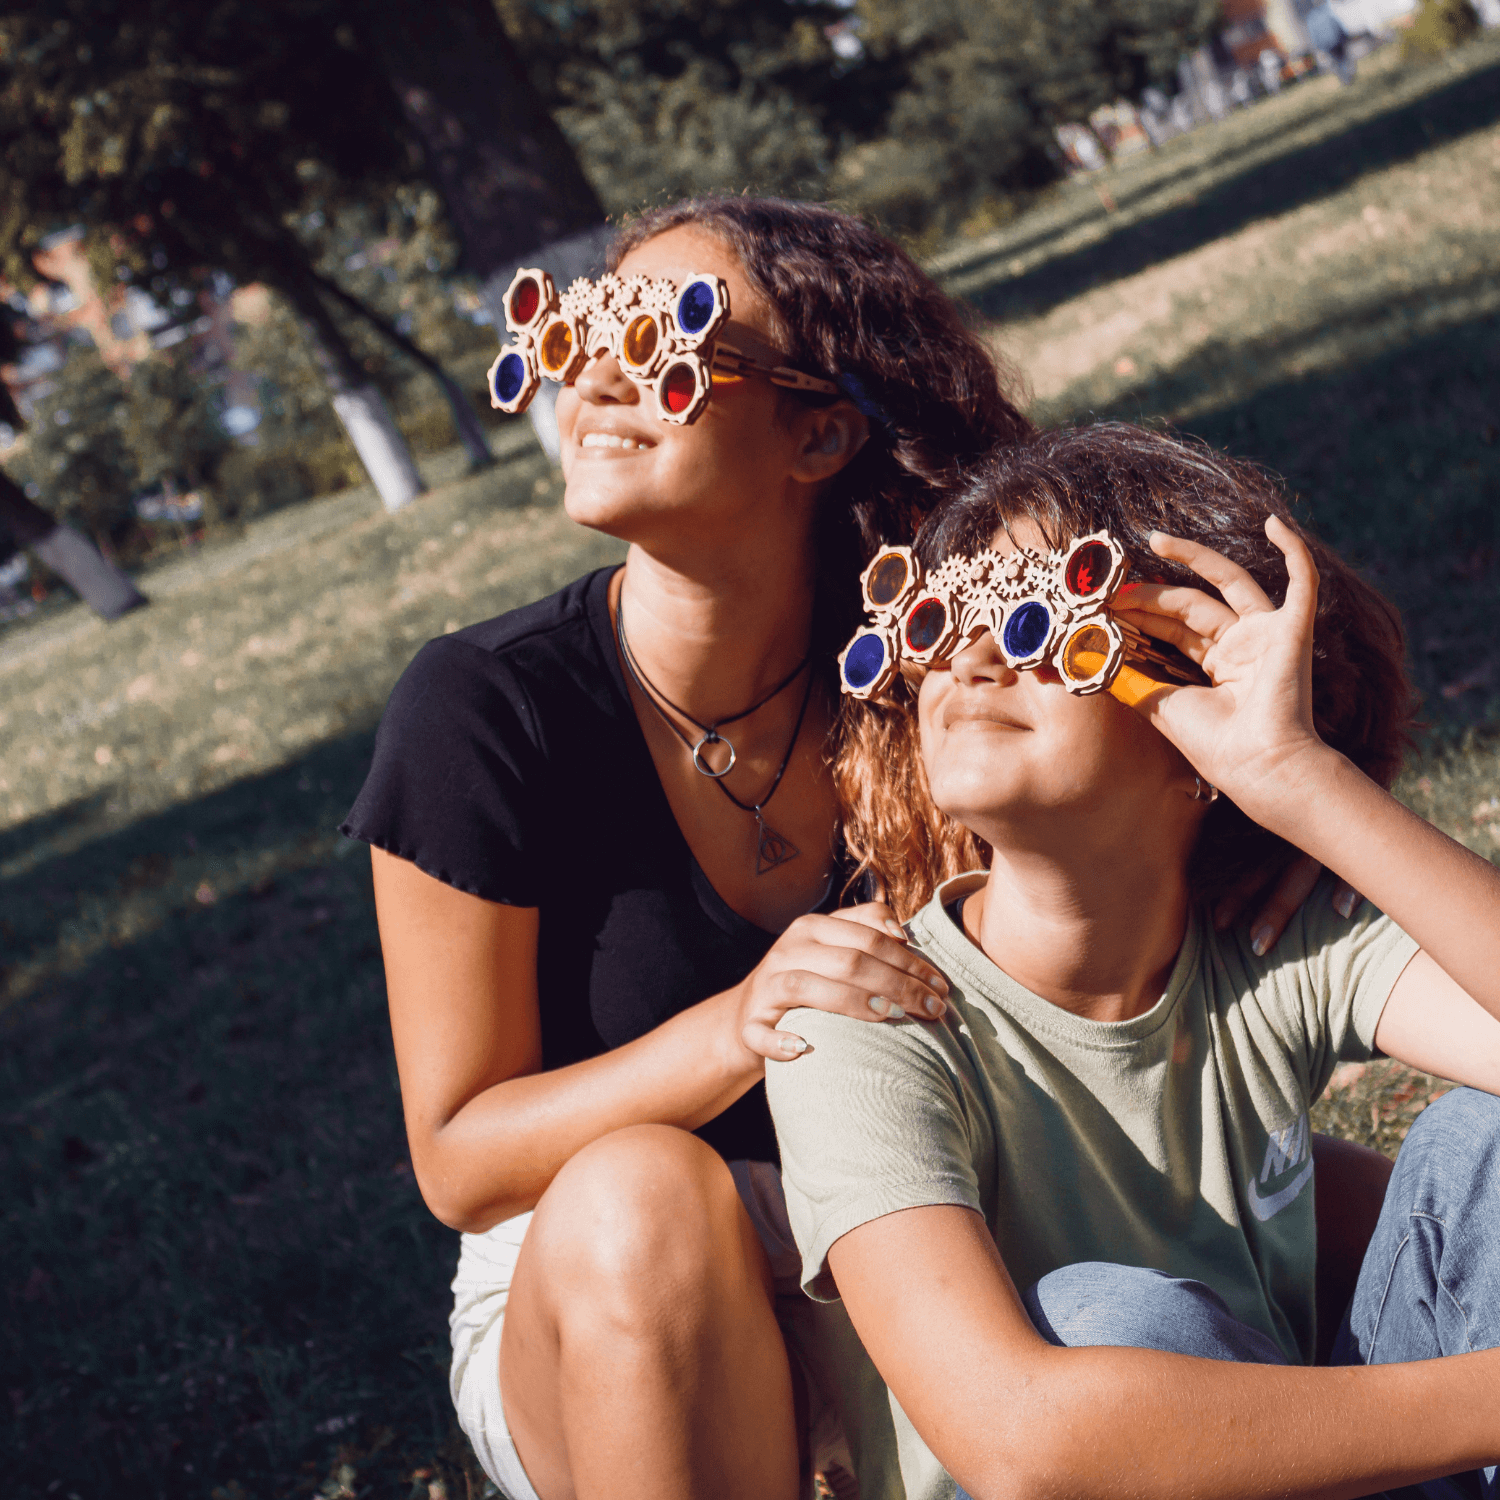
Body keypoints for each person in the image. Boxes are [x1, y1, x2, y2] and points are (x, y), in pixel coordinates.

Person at [341, 195, 1032, 1500]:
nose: (596, 377)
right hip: (607, 1289)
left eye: (670, 339)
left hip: (904, 1225)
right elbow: (459, 1159)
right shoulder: (485, 708)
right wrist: (734, 1028)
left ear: (820, 430)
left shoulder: (919, 665)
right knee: (644, 1192)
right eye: (581, 333)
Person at [766, 422, 1500, 1500]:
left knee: (1479, 1143)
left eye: (1039, 624)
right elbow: (1021, 1441)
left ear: (1201, 722)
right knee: (1105, 1328)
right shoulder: (867, 1013)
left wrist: (1302, 782)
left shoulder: (1268, 942)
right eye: (943, 621)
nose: (969, 658)